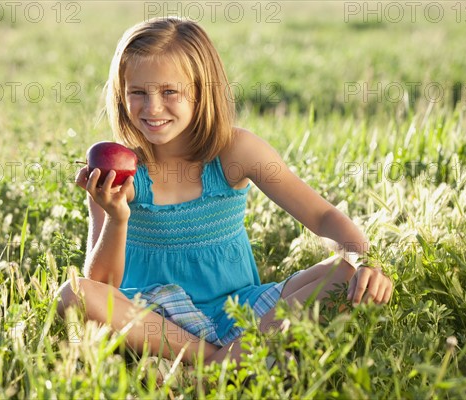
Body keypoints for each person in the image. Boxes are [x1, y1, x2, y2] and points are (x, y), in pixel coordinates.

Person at [57, 16, 392, 366]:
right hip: (155, 325)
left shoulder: (235, 152)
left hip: (244, 314)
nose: (153, 107)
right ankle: (223, 365)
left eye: (169, 91)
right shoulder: (119, 170)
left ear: (202, 91)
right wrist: (116, 218)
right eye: (137, 92)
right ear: (120, 95)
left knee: (347, 274)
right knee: (75, 293)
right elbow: (102, 285)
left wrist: (365, 260)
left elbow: (323, 217)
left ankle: (205, 371)